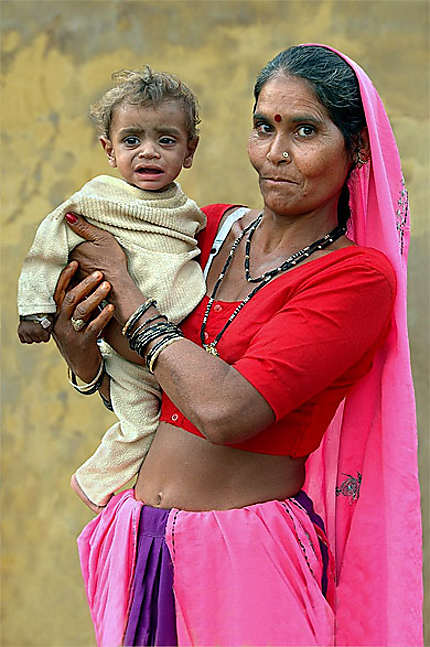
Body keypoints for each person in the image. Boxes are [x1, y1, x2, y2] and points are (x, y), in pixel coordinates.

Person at [50, 44, 423, 646]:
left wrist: (126, 291)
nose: (276, 154)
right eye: (263, 126)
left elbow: (228, 412)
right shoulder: (207, 229)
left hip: (243, 559)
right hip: (140, 542)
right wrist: (84, 360)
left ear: (355, 150)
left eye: (305, 130)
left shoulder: (355, 279)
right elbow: (158, 384)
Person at [17, 66, 206, 510]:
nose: (148, 153)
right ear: (108, 149)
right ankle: (97, 485)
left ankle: (148, 497)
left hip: (175, 342)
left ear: (189, 150)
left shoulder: (189, 213)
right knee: (139, 424)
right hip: (124, 345)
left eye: (166, 140)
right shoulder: (99, 199)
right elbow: (51, 241)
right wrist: (36, 307)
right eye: (131, 140)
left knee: (172, 426)